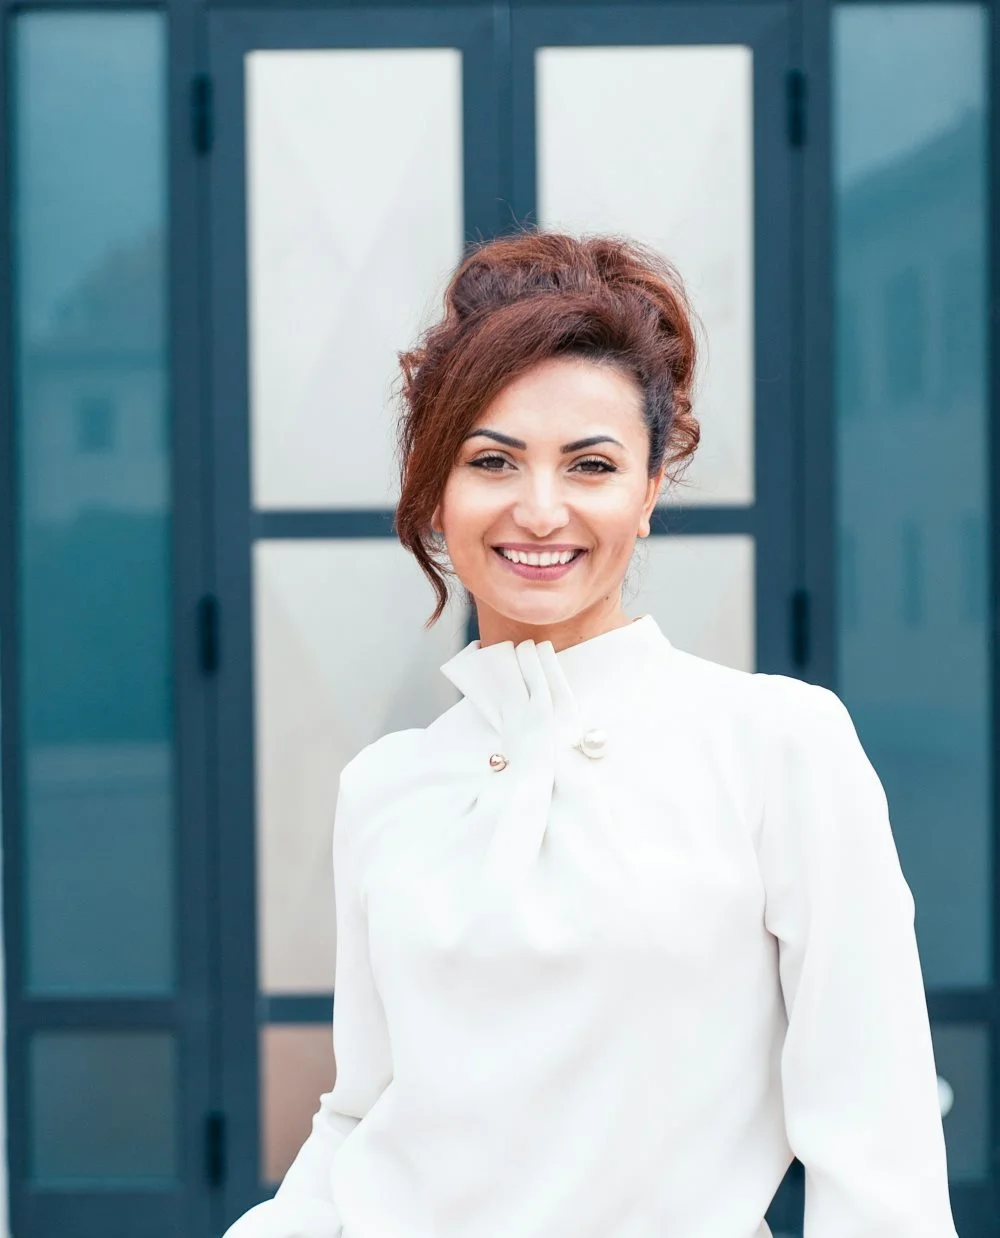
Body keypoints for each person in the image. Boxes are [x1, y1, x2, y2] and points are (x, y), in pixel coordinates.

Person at [224, 231, 958, 1238]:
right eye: (492, 460)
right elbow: (361, 1112)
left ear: (649, 491)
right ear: (436, 490)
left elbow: (876, 1139)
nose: (539, 510)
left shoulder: (775, 744)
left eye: (591, 465)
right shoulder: (387, 785)